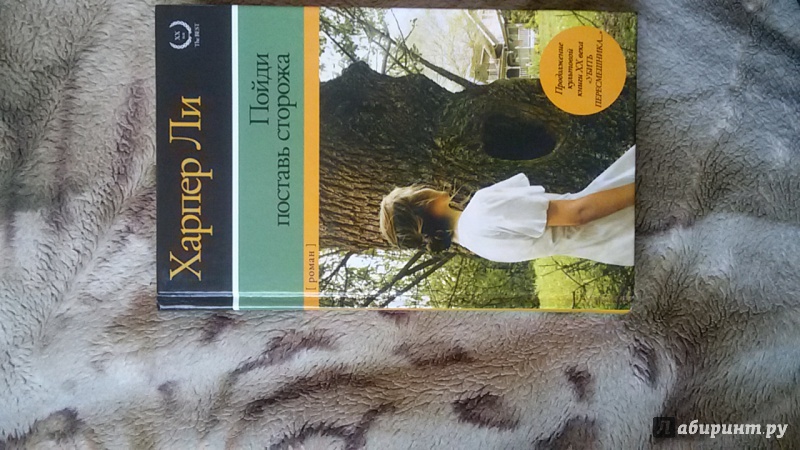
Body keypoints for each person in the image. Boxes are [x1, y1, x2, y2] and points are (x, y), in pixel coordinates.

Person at [379, 146, 635, 266]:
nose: (424, 186)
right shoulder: (482, 210)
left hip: (617, 245)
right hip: (620, 215)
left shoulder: (476, 244)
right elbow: (579, 213)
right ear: (423, 205)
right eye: (416, 190)